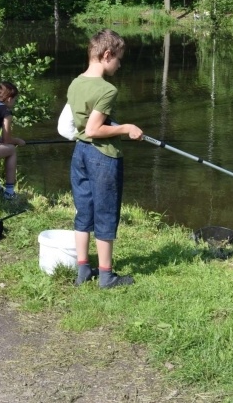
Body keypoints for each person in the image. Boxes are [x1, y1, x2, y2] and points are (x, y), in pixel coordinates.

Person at [66, 29, 143, 288]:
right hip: (103, 156)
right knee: (106, 212)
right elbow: (94, 130)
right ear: (106, 54)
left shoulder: (76, 82)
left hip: (80, 154)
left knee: (83, 211)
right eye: (118, 59)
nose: (119, 65)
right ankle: (107, 275)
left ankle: (83, 270)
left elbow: (82, 126)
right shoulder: (107, 90)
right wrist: (126, 128)